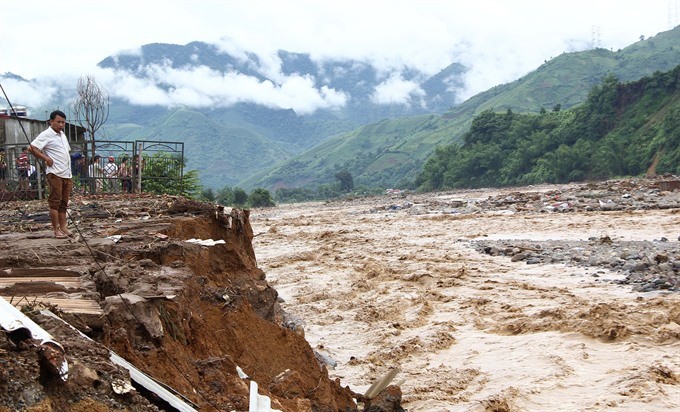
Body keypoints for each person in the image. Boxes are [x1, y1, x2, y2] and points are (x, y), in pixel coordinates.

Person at [29, 110, 73, 239]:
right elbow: (32, 148)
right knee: (55, 202)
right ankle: (56, 230)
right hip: (55, 173)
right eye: (58, 122)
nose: (61, 125)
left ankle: (64, 227)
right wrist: (46, 158)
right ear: (51, 121)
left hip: (66, 173)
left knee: (64, 202)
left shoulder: (62, 135)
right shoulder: (46, 134)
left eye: (63, 122)